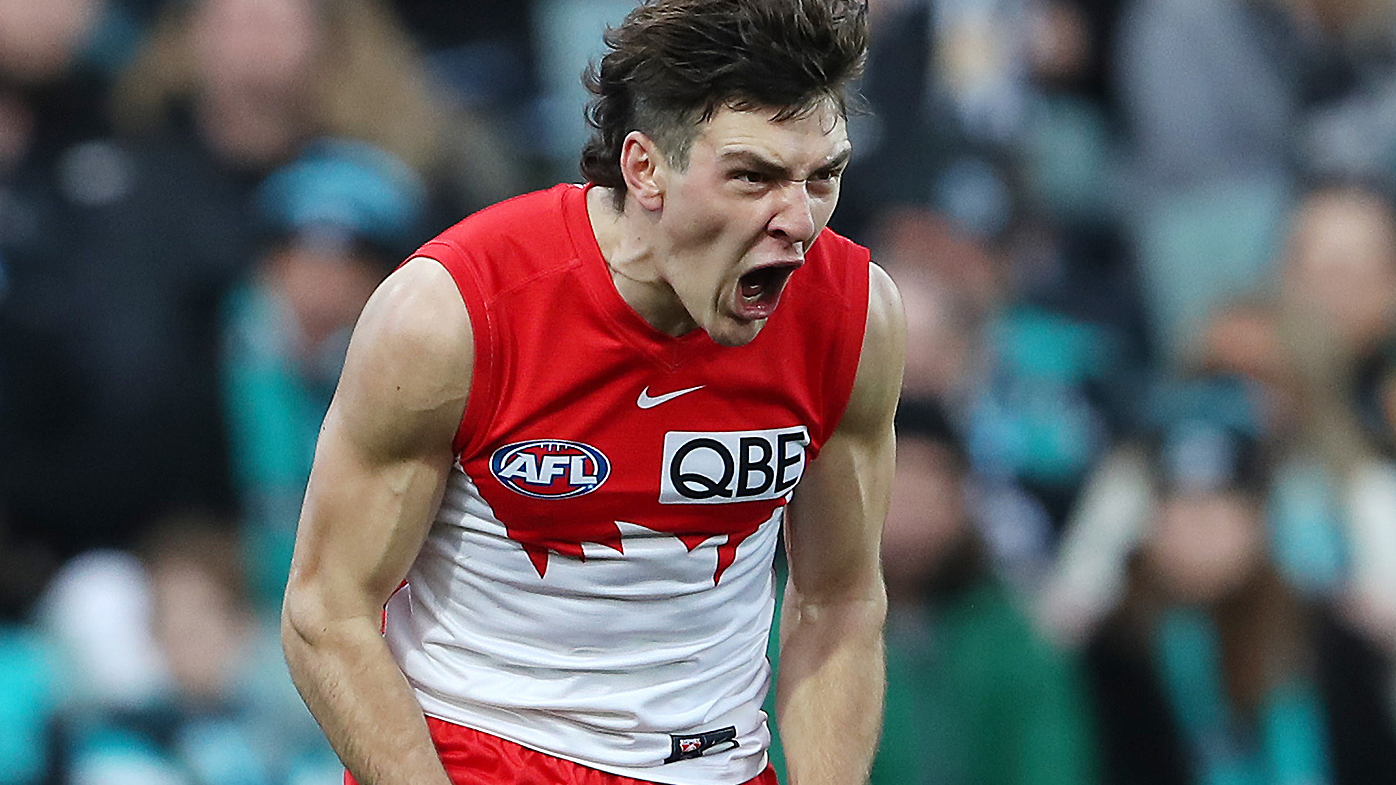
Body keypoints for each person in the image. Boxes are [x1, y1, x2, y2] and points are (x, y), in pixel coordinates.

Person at [280, 2, 904, 785]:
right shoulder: (453, 315)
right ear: (645, 168)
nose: (798, 220)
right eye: (754, 176)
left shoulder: (853, 316)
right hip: (478, 759)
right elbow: (326, 611)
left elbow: (841, 600)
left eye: (824, 177)